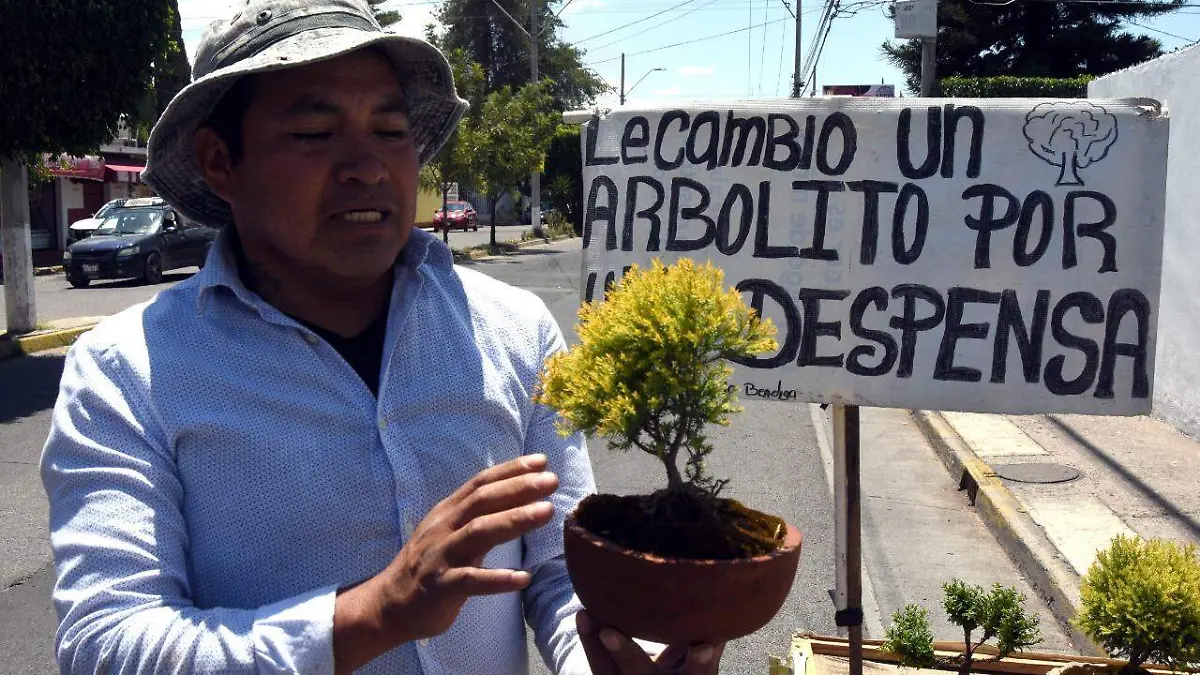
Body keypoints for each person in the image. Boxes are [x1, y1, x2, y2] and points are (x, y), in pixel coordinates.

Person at [39, 1, 723, 673]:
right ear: (221, 161)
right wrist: (375, 613)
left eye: (391, 131)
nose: (367, 166)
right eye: (314, 133)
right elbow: (107, 644)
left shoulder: (517, 331)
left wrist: (615, 657)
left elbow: (559, 567)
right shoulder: (127, 373)